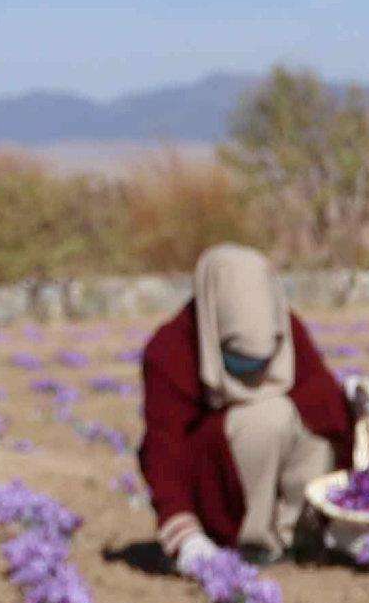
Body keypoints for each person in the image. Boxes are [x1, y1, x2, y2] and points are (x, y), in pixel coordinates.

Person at [138, 244, 355, 571]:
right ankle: (253, 542)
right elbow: (164, 449)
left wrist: (348, 404)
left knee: (312, 430)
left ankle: (300, 534)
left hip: (270, 463)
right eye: (237, 358)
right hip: (218, 490)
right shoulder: (171, 349)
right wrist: (184, 533)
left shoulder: (284, 327)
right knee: (268, 417)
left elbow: (323, 402)